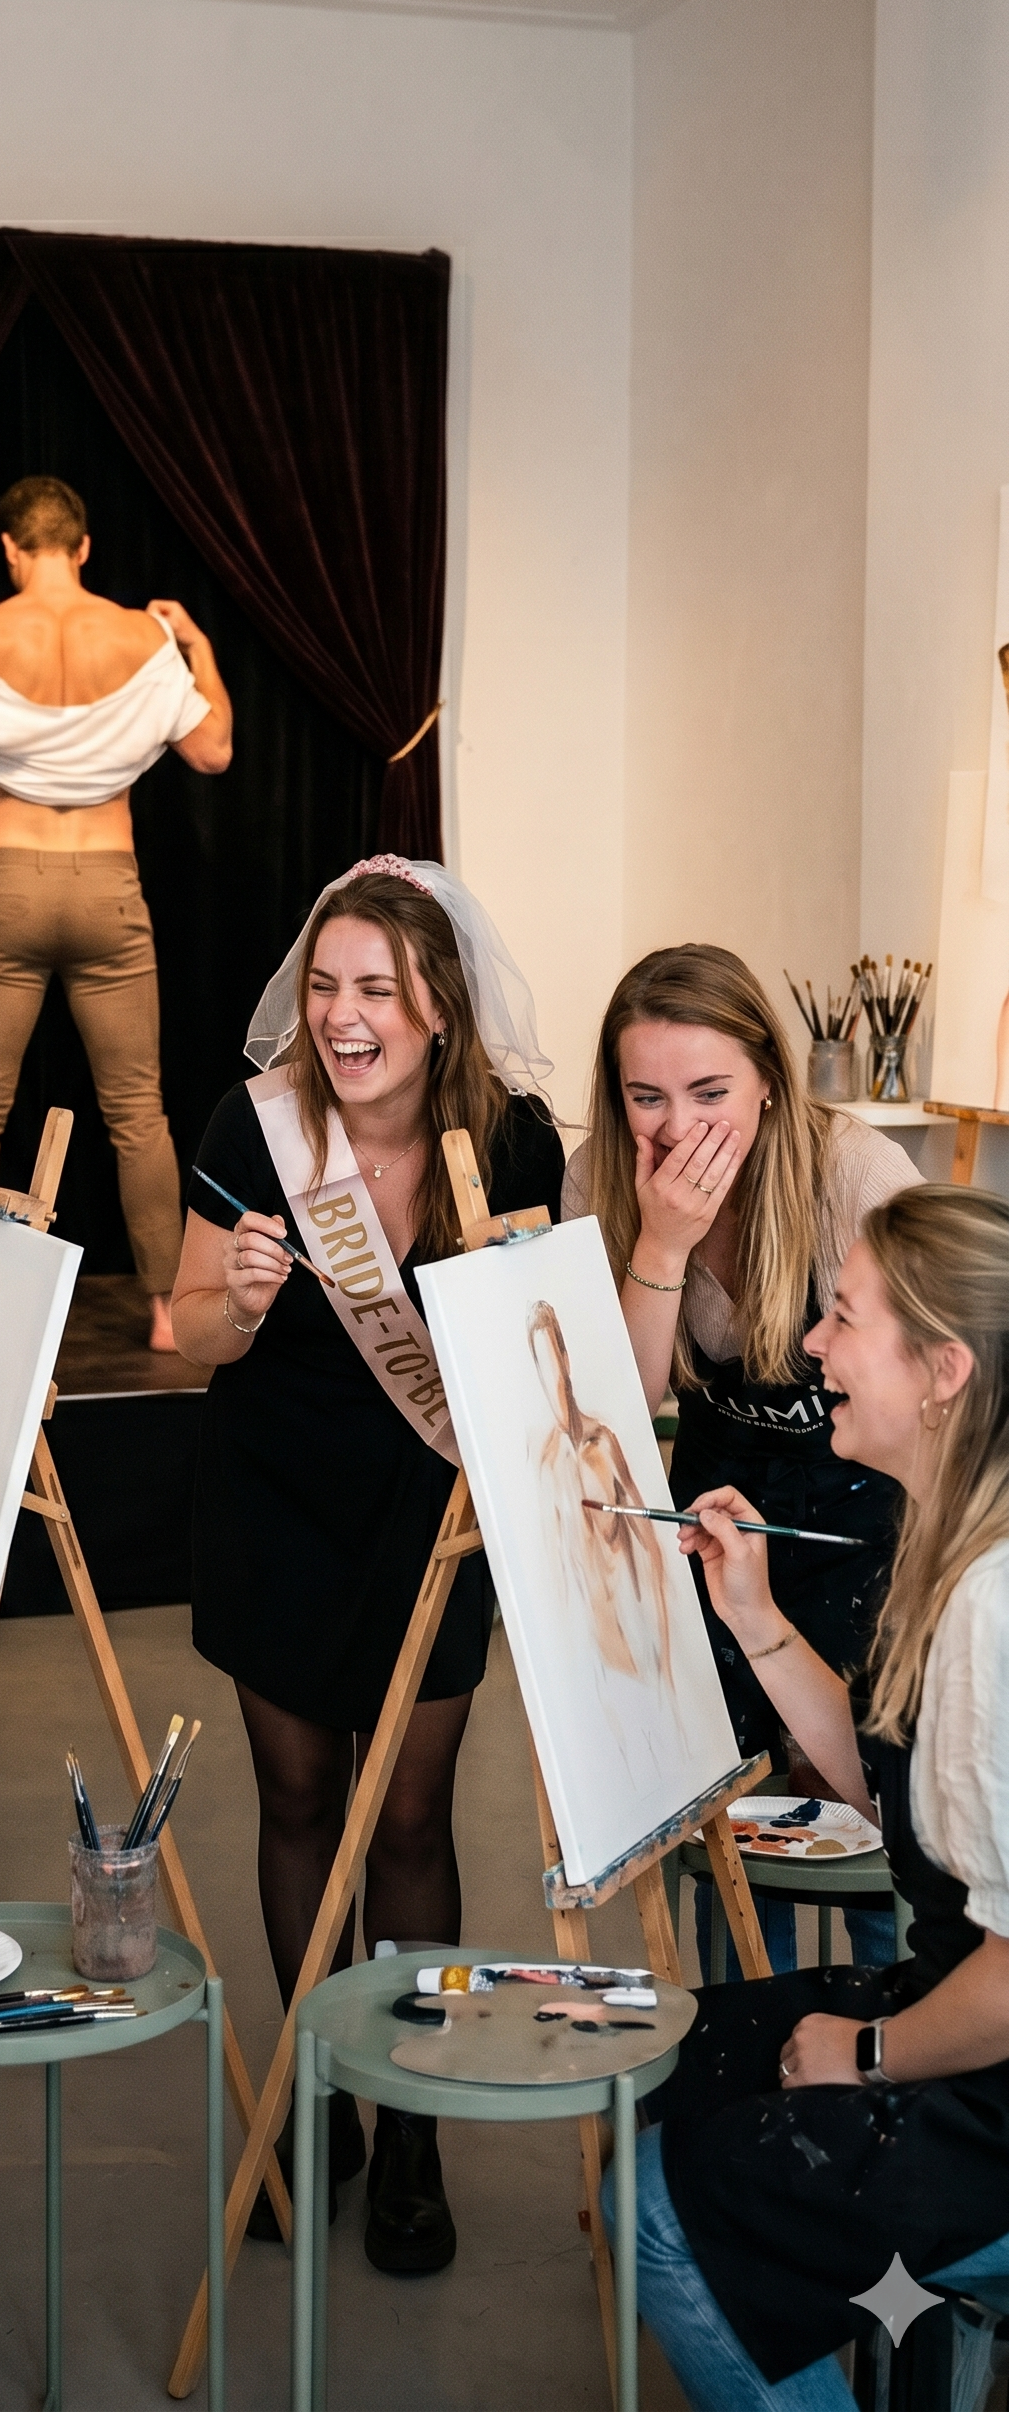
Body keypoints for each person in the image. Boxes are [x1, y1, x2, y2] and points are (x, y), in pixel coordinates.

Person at [172, 856, 563, 2275]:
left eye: (377, 991)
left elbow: (542, 1347)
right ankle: (316, 2089)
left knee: (406, 1818)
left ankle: (409, 2127)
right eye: (326, 985)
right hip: (274, 1498)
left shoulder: (513, 1141)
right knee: (297, 1802)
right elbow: (183, 1331)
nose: (342, 1016)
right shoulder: (256, 1122)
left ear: (439, 1006)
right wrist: (234, 1300)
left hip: (427, 1510)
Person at [607, 1181, 1009, 2412]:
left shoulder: (994, 1603)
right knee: (671, 2063)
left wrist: (868, 2053)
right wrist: (755, 1616)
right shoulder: (945, 1531)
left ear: (943, 1372)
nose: (813, 1348)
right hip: (964, 2000)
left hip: (992, 2066)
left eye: (845, 1317)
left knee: (657, 2206)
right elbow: (899, 1792)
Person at [563, 944, 917, 1972]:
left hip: (866, 1513)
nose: (678, 1129)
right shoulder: (596, 1179)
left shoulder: (854, 1176)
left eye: (710, 1092)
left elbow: (934, 1389)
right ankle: (740, 2019)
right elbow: (620, 1418)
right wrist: (662, 1246)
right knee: (722, 1804)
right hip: (718, 1511)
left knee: (871, 1804)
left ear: (768, 1077)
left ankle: (889, 2019)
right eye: (647, 1097)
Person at [0, 473, 233, 1352]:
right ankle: (168, 1312)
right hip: (108, 887)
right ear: (83, 547)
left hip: (8, 884)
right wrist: (195, 645)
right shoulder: (143, 637)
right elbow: (213, 750)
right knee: (139, 1111)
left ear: (10, 549)